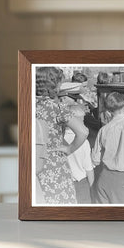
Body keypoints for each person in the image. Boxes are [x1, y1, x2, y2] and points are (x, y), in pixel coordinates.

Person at [35, 66, 89, 204]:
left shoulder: (29, 104)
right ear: (55, 84)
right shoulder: (56, 107)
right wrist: (68, 149)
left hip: (31, 163)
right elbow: (83, 132)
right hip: (53, 164)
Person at [63, 104, 94, 204]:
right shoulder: (84, 142)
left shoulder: (60, 138)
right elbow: (88, 168)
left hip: (64, 183)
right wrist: (92, 187)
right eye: (82, 119)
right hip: (81, 184)